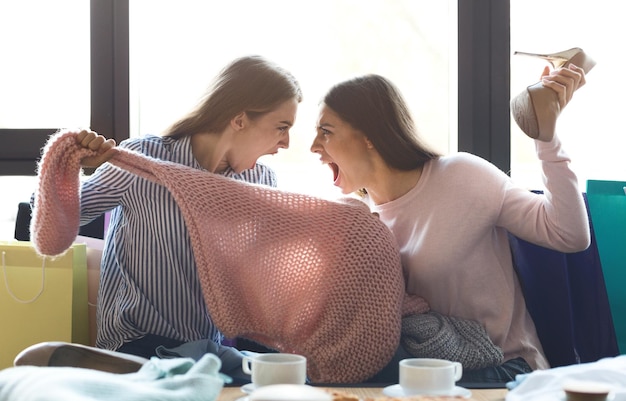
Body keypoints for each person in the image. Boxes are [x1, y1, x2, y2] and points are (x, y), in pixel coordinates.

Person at [310, 64, 590, 383]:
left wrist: (547, 139)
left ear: (368, 137)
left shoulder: (460, 176)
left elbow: (568, 234)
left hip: (507, 367)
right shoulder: (363, 220)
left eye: (326, 132)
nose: (314, 147)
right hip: (426, 371)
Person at [64, 55, 302, 358]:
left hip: (208, 352)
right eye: (281, 127)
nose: (286, 143)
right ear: (240, 119)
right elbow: (52, 217)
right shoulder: (144, 159)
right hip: (135, 347)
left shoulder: (260, 182)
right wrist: (71, 163)